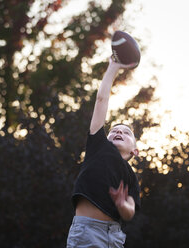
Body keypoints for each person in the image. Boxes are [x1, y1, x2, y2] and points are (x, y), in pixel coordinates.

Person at [66, 57, 141, 248]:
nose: (118, 131)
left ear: (135, 151)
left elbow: (130, 211)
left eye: (126, 132)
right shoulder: (98, 146)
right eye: (114, 130)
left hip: (114, 237)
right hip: (87, 233)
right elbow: (101, 99)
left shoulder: (130, 178)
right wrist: (114, 66)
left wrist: (123, 205)